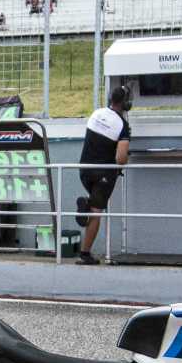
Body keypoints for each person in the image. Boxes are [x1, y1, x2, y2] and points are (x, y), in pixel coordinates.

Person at [74, 81, 132, 266]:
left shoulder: (96, 113)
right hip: (103, 175)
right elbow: (121, 158)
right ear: (126, 103)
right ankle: (85, 254)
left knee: (94, 206)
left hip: (84, 170)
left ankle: (88, 203)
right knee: (96, 212)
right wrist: (125, 155)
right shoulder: (122, 125)